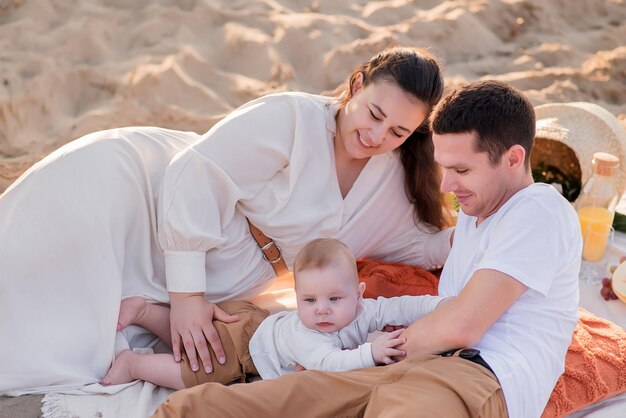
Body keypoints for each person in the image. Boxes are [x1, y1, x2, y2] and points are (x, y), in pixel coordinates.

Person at [0, 46, 453, 395]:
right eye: (374, 114)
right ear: (356, 85)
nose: (376, 136)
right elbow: (193, 176)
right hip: (139, 203)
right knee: (38, 325)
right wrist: (188, 297)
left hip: (208, 270)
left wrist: (504, 212)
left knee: (104, 347)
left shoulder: (390, 180)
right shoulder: (292, 118)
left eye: (398, 131)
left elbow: (426, 245)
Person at [152, 80, 581, 418]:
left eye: (462, 170)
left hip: (474, 376)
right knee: (196, 409)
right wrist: (346, 358)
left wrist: (363, 353)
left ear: (513, 159)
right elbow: (433, 267)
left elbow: (463, 324)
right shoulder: (474, 212)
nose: (448, 187)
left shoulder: (540, 209)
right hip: (399, 362)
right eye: (444, 168)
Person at [102, 238, 450, 389]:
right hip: (244, 350)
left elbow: (399, 306)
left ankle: (146, 311)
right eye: (309, 301)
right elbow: (329, 363)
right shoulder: (306, 335)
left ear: (358, 296)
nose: (322, 310)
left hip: (250, 320)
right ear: (296, 298)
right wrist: (370, 352)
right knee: (196, 370)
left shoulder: (365, 311)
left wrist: (438, 305)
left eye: (333, 299)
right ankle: (134, 363)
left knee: (194, 344)